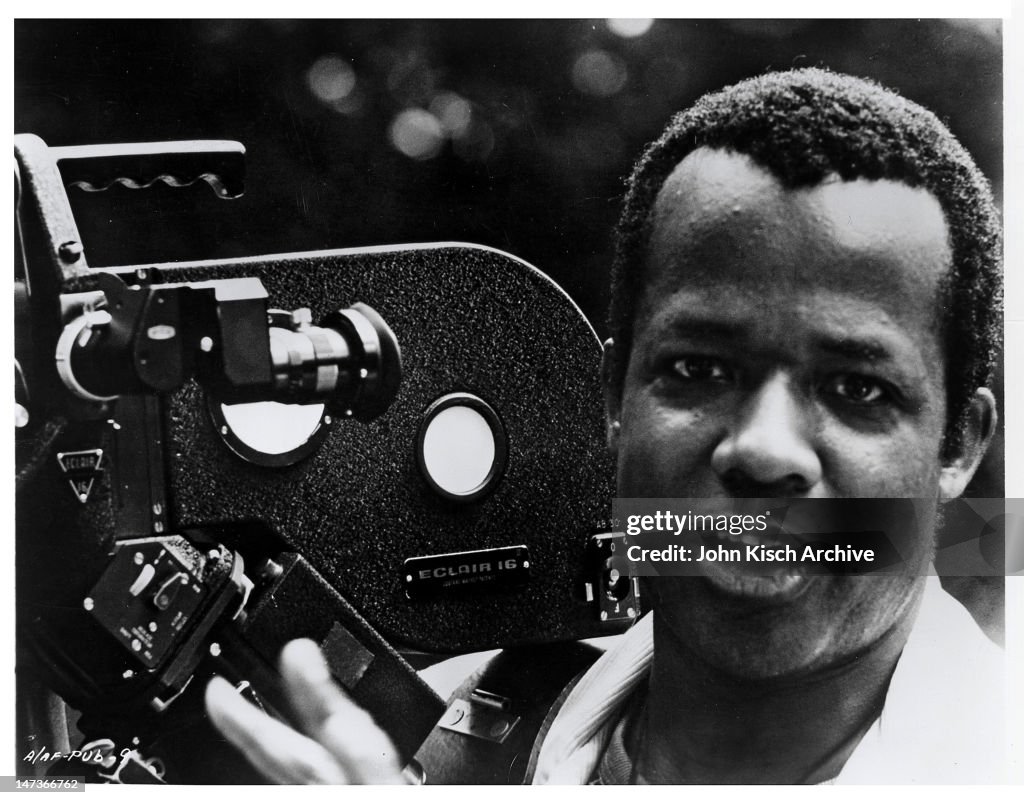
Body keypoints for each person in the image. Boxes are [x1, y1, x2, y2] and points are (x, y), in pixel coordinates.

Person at [204, 67, 1004, 784]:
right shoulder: (428, 741)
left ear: (959, 446)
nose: (762, 450)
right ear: (616, 397)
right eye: (697, 369)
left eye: (857, 388)